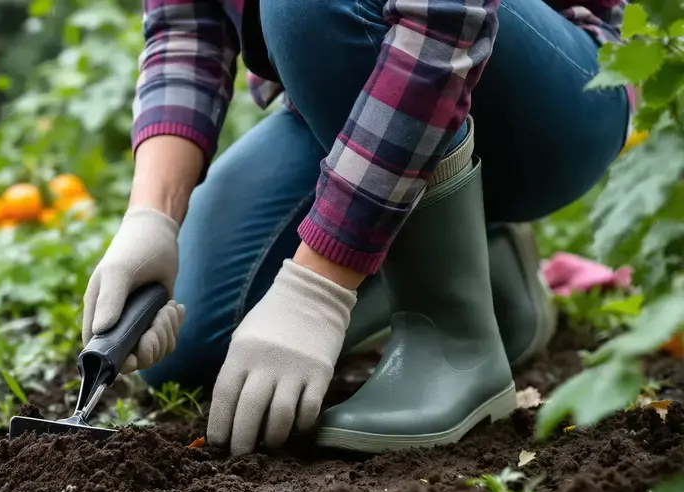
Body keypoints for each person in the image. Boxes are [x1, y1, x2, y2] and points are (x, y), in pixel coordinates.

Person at [80, 0, 632, 456]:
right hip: (363, 102)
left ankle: (451, 338)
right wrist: (151, 219)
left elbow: (440, 24)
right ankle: (479, 259)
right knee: (194, 346)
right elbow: (185, 27)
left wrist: (317, 288)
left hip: (556, 91)